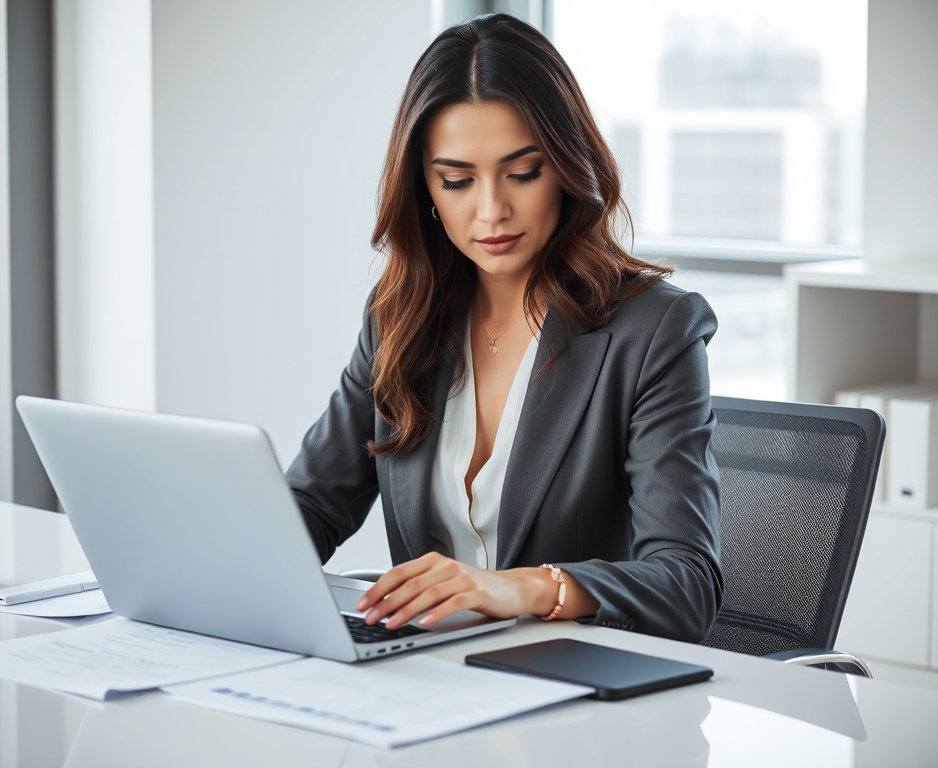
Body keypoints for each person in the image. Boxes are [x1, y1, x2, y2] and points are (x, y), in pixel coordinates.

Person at [285, 13, 723, 643]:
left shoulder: (653, 330)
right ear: (424, 188)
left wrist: (524, 587)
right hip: (426, 677)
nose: (491, 211)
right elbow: (312, 504)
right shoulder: (399, 316)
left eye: (523, 173)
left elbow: (687, 583)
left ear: (567, 167)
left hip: (574, 681)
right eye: (457, 181)